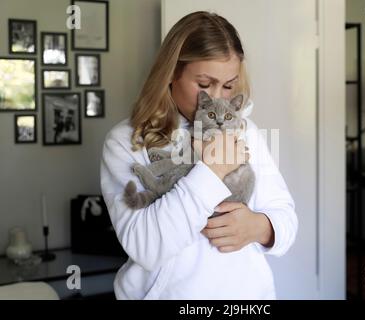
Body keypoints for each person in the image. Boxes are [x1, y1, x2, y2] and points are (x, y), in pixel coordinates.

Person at [100, 11, 298, 300]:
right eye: (204, 84)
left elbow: (286, 220)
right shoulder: (126, 141)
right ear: (171, 74)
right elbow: (145, 246)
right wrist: (211, 169)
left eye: (228, 86)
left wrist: (258, 227)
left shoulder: (246, 132)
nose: (217, 97)